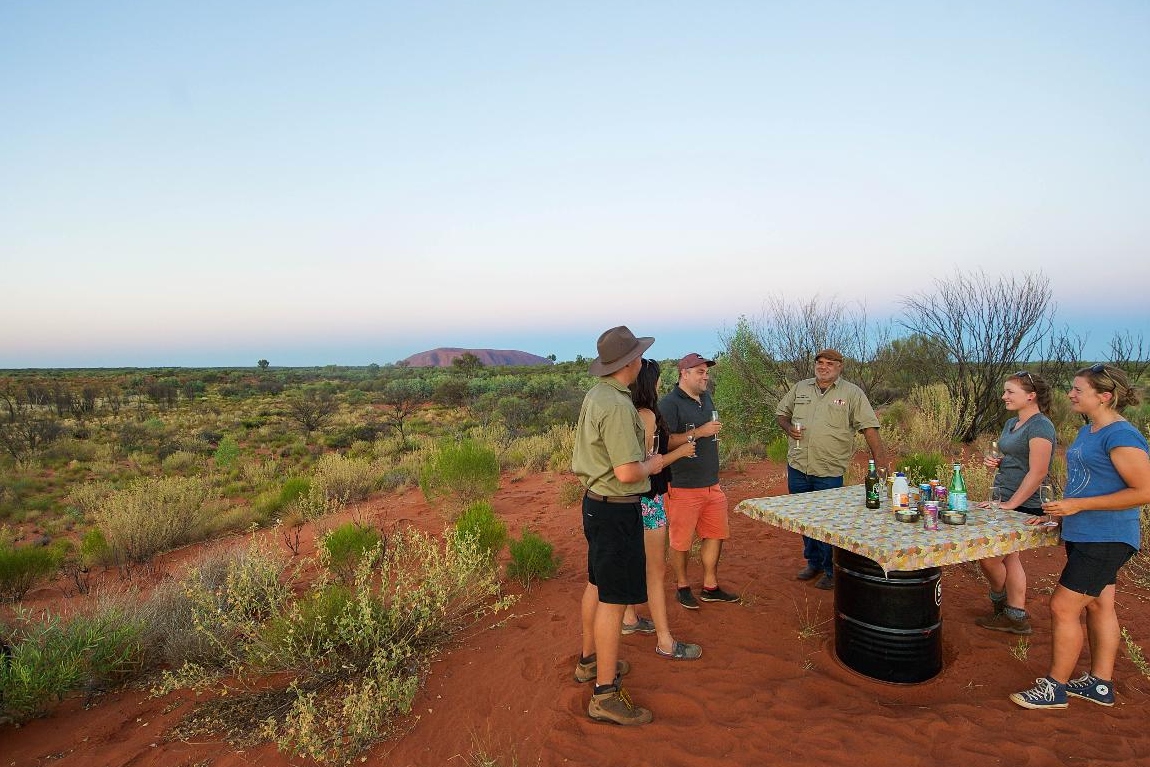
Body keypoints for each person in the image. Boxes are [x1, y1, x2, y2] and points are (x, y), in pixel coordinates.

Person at [1011, 364, 1150, 710]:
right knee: (1101, 604)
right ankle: (1099, 684)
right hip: (1086, 533)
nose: (1070, 394)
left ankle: (1054, 688)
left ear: (1104, 396)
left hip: (1108, 537)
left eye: (1078, 389)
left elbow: (1144, 490)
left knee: (1062, 606)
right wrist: (1062, 517)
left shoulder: (1121, 435)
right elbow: (1092, 480)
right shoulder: (1090, 431)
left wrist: (1078, 506)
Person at [571, 326, 665, 726]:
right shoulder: (617, 404)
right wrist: (654, 464)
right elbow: (628, 472)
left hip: (596, 505)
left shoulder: (599, 395)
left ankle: (590, 661)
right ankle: (605, 695)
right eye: (639, 355)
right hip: (617, 509)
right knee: (613, 599)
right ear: (631, 362)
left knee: (597, 583)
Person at [775, 349, 886, 590]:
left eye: (830, 364)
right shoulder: (800, 388)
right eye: (820, 362)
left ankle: (831, 570)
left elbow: (869, 428)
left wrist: (881, 464)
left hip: (829, 470)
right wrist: (787, 428)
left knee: (828, 522)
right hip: (798, 466)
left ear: (839, 368)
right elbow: (781, 414)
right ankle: (813, 563)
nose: (823, 367)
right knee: (804, 519)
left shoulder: (852, 393)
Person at [621, 359, 703, 659]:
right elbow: (646, 464)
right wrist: (680, 453)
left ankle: (630, 618)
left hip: (632, 500)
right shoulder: (646, 415)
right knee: (655, 571)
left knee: (633, 561)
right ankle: (665, 641)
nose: (659, 383)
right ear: (648, 383)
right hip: (648, 499)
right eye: (656, 379)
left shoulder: (629, 411)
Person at [975, 371, 1056, 635]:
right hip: (1003, 496)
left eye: (1010, 392)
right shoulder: (1011, 424)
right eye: (1005, 391)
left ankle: (1000, 602)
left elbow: (1038, 471)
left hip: (1023, 501)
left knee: (990, 556)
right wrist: (996, 463)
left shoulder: (1040, 425)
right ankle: (1015, 614)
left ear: (1031, 396)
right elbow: (1013, 458)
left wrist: (1011, 505)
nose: (1004, 396)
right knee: (1010, 557)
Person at [658, 352, 740, 609]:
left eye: (707, 372)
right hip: (682, 484)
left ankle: (710, 586)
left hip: (711, 482)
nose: (706, 376)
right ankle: (682, 586)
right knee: (680, 540)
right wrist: (700, 433)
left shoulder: (706, 398)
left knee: (716, 534)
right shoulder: (669, 403)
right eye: (700, 372)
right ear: (684, 374)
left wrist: (708, 435)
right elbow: (665, 442)